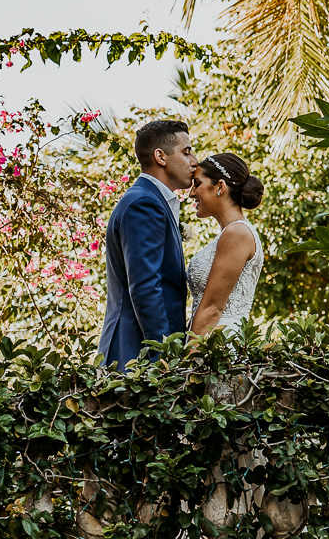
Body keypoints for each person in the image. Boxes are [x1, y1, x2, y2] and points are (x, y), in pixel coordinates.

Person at [98, 119, 195, 369]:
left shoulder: (150, 200)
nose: (194, 161)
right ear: (160, 157)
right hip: (136, 354)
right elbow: (145, 287)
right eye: (186, 152)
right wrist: (164, 357)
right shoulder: (144, 204)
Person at [186, 152, 265, 337]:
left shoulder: (237, 233)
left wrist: (189, 359)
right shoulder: (231, 233)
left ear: (220, 186)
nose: (191, 193)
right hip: (208, 340)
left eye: (197, 184)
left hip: (218, 344)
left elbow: (212, 308)